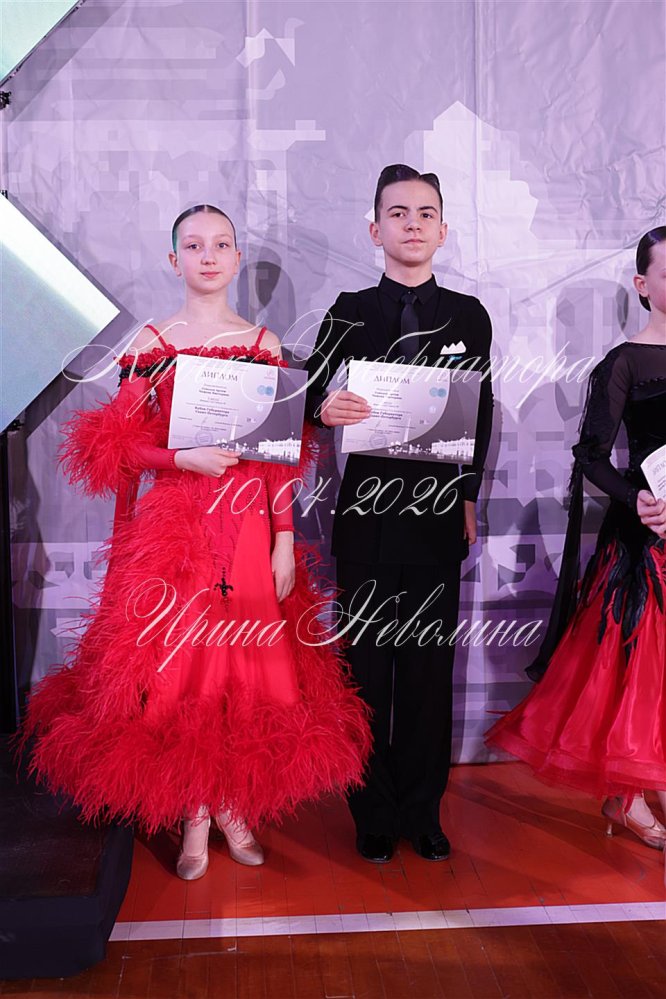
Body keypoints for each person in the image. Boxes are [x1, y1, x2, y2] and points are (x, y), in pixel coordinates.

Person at [16, 204, 371, 880]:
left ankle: (233, 806)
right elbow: (115, 445)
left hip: (247, 530)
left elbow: (276, 456)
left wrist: (283, 539)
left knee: (243, 667)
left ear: (237, 258)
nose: (208, 256)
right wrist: (183, 458)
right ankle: (194, 811)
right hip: (175, 533)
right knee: (182, 669)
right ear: (173, 259)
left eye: (221, 244)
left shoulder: (264, 344)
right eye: (194, 245)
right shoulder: (152, 342)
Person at [305, 165, 494, 862]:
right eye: (398, 213)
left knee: (426, 671)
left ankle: (422, 809)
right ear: (374, 229)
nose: (412, 224)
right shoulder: (348, 311)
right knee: (366, 668)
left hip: (437, 515)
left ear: (443, 231)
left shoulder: (469, 316)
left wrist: (468, 495)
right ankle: (372, 810)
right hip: (366, 515)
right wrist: (323, 407)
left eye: (425, 213)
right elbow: (303, 394)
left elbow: (482, 412)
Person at [485, 227, 666, 848]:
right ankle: (628, 793)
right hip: (647, 535)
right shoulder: (624, 362)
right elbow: (590, 456)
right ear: (643, 284)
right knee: (638, 668)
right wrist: (637, 500)